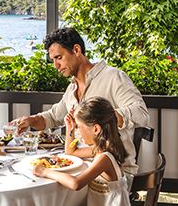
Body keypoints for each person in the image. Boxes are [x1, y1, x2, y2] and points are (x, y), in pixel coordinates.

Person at [12, 27, 149, 174]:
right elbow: (53, 117)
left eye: (59, 58)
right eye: (53, 60)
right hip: (78, 165)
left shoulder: (113, 77)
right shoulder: (72, 88)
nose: (55, 66)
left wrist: (100, 118)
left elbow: (141, 114)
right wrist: (30, 120)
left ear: (76, 50)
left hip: (114, 172)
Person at [33, 97, 133, 206]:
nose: (78, 133)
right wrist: (70, 127)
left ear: (96, 129)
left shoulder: (104, 157)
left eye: (79, 127)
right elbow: (71, 152)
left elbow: (75, 183)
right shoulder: (104, 147)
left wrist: (45, 171)